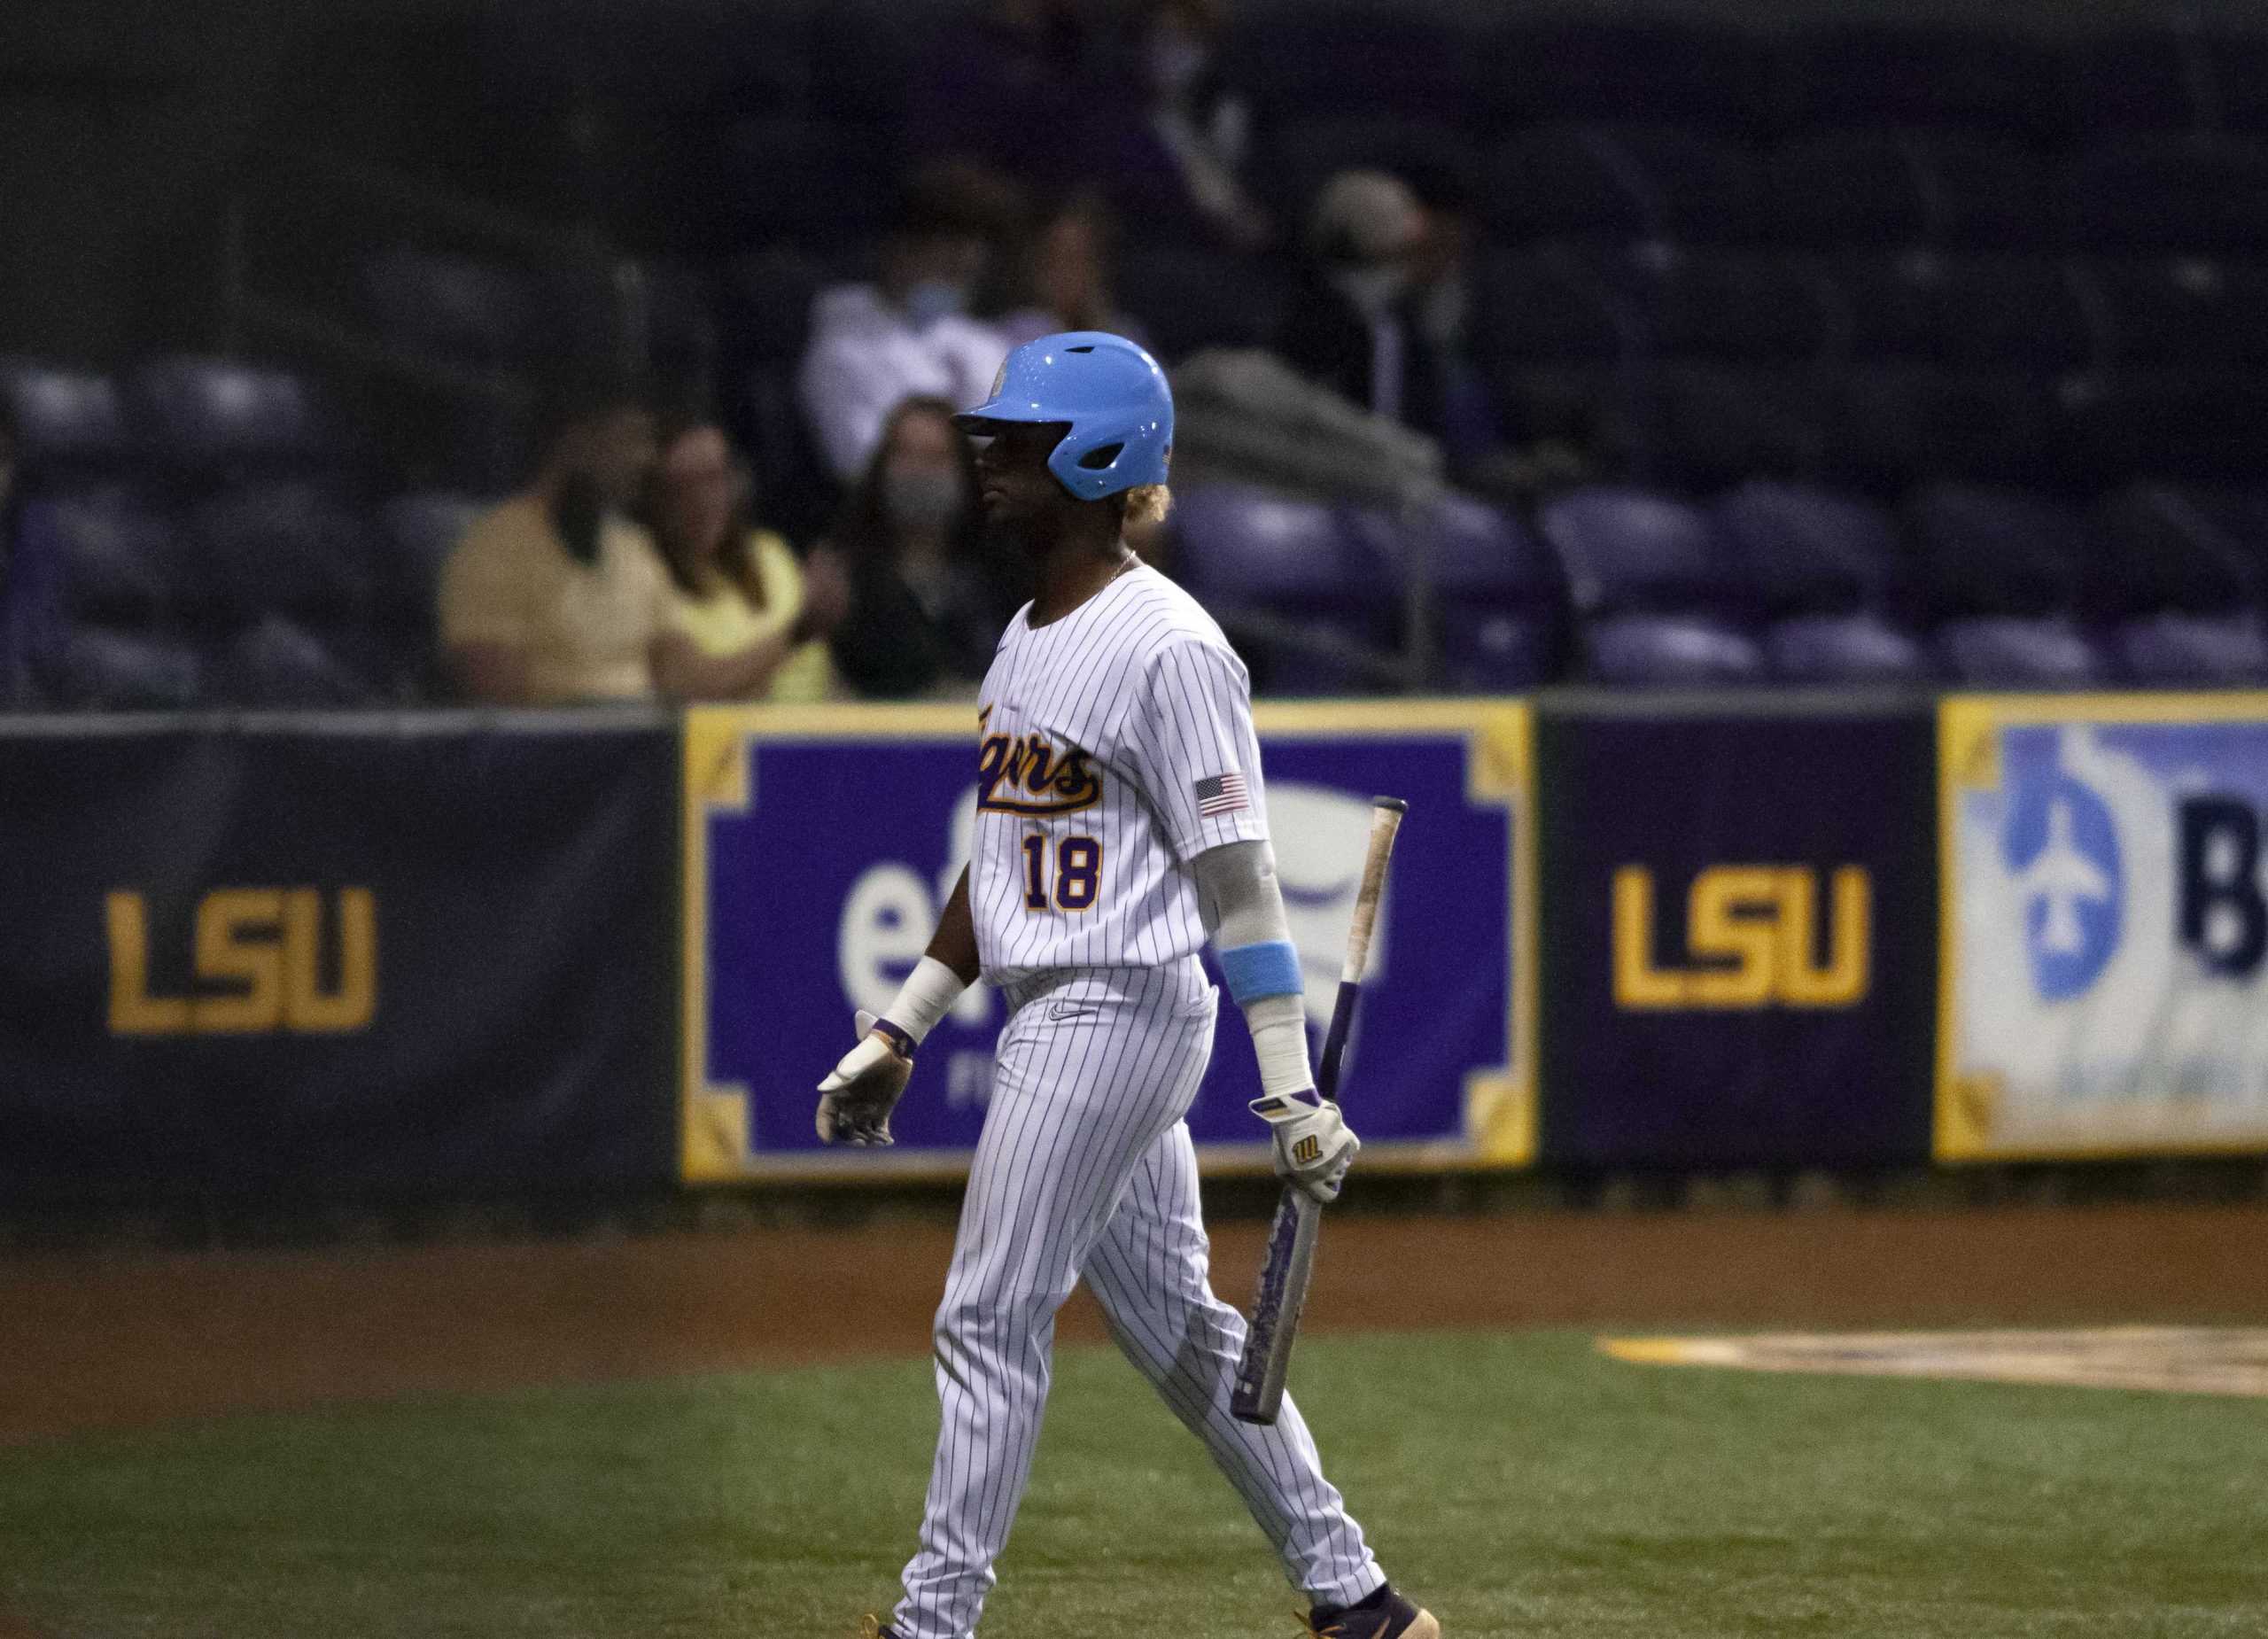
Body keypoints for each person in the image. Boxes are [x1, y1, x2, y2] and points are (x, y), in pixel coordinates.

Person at [813, 332, 1439, 1639]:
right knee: (1187, 1337)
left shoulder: (1172, 645)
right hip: (1070, 1002)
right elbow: (1001, 868)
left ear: (1098, 458)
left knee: (986, 1314)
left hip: (1116, 1003)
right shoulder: (1030, 634)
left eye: (1020, 440)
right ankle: (1362, 1602)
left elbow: (1242, 880)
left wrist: (1292, 1090)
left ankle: (930, 1625)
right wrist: (902, 1026)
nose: (989, 459)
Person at [439, 382, 818, 705]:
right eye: (630, 438)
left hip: (647, 769)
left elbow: (688, 684)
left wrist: (799, 630)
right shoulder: (496, 549)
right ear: (578, 441)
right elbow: (497, 710)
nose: (645, 459)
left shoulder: (633, 550)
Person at [798, 162, 1017, 482]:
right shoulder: (842, 353)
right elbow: (861, 467)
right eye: (946, 267)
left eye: (965, 274)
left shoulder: (982, 343)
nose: (955, 284)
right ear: (899, 250)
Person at [825, 396, 1026, 700]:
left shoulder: (1009, 570)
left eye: (935, 458)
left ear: (965, 470)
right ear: (882, 465)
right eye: (906, 454)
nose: (919, 473)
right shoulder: (844, 574)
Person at [645, 421, 846, 703]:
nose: (703, 499)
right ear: (659, 497)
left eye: (714, 479)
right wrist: (794, 635)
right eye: (685, 485)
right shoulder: (648, 574)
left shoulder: (771, 554)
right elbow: (691, 688)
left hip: (808, 736)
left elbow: (817, 662)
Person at [1091, 0, 1270, 251]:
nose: (1169, 53)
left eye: (1184, 41)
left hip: (1231, 241)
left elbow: (1250, 192)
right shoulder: (1129, 118)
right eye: (1162, 40)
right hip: (1167, 240)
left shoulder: (1229, 109)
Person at [995, 192, 1150, 352]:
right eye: (1055, 258)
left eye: (1079, 259)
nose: (1065, 273)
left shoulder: (1124, 336)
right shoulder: (1015, 334)